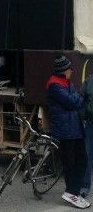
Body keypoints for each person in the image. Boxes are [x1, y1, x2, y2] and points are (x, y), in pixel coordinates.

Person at [46, 55, 90, 209]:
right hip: (65, 130)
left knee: (82, 160)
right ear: (64, 71)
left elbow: (75, 98)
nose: (72, 70)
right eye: (70, 68)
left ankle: (74, 192)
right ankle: (71, 193)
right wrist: (81, 96)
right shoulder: (55, 85)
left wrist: (78, 97)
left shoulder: (66, 82)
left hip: (74, 128)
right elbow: (74, 102)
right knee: (71, 163)